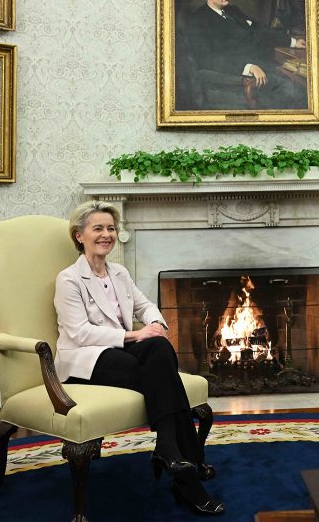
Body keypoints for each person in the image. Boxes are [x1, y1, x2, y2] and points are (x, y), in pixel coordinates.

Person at [54, 201, 225, 516]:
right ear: (79, 236)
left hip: (119, 349)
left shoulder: (118, 272)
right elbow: (78, 333)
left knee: (159, 349)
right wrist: (135, 335)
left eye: (110, 228)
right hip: (85, 359)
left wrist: (156, 324)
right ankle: (187, 470)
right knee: (160, 370)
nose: (107, 234)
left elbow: (144, 305)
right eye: (98, 228)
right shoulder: (69, 279)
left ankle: (170, 453)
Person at [185, 0, 308, 110]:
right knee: (296, 90)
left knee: (300, 81)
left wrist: (292, 42)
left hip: (264, 65)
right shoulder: (198, 20)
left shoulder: (233, 11)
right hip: (239, 76)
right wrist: (248, 67)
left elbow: (261, 30)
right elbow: (208, 58)